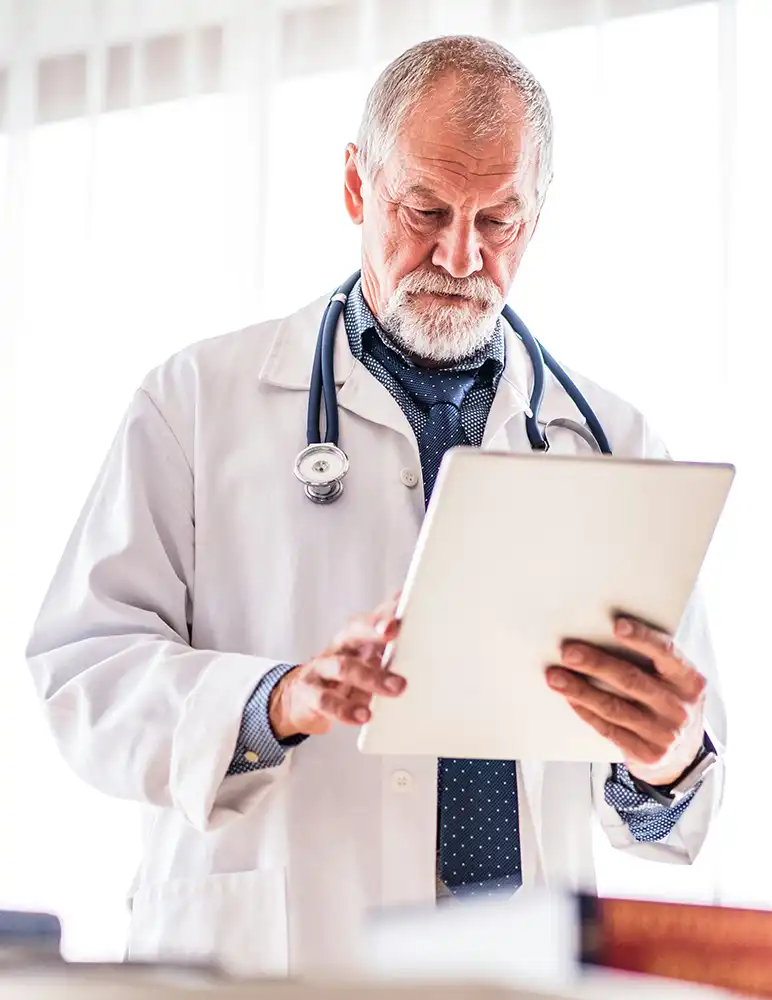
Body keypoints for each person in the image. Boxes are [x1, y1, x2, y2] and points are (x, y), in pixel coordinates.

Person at [26, 35, 725, 978]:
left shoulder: (614, 440)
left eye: (500, 220)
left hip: (515, 966)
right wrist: (276, 700)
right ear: (358, 186)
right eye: (426, 209)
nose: (461, 254)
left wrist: (665, 756)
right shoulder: (196, 401)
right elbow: (85, 672)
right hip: (278, 953)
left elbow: (672, 782)